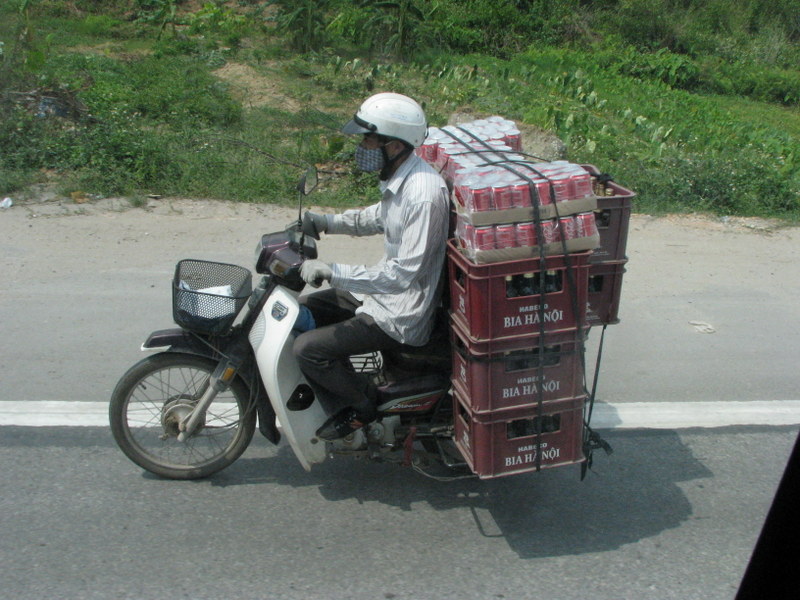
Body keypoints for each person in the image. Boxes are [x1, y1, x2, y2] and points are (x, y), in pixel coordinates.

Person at [294, 92, 450, 441]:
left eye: (368, 139)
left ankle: (362, 407)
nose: (361, 146)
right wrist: (326, 222)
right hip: (379, 298)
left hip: (400, 315)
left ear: (393, 145)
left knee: (308, 349)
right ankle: (340, 382)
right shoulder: (402, 177)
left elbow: (402, 276)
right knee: (298, 312)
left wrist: (333, 271)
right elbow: (377, 217)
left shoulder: (423, 196)